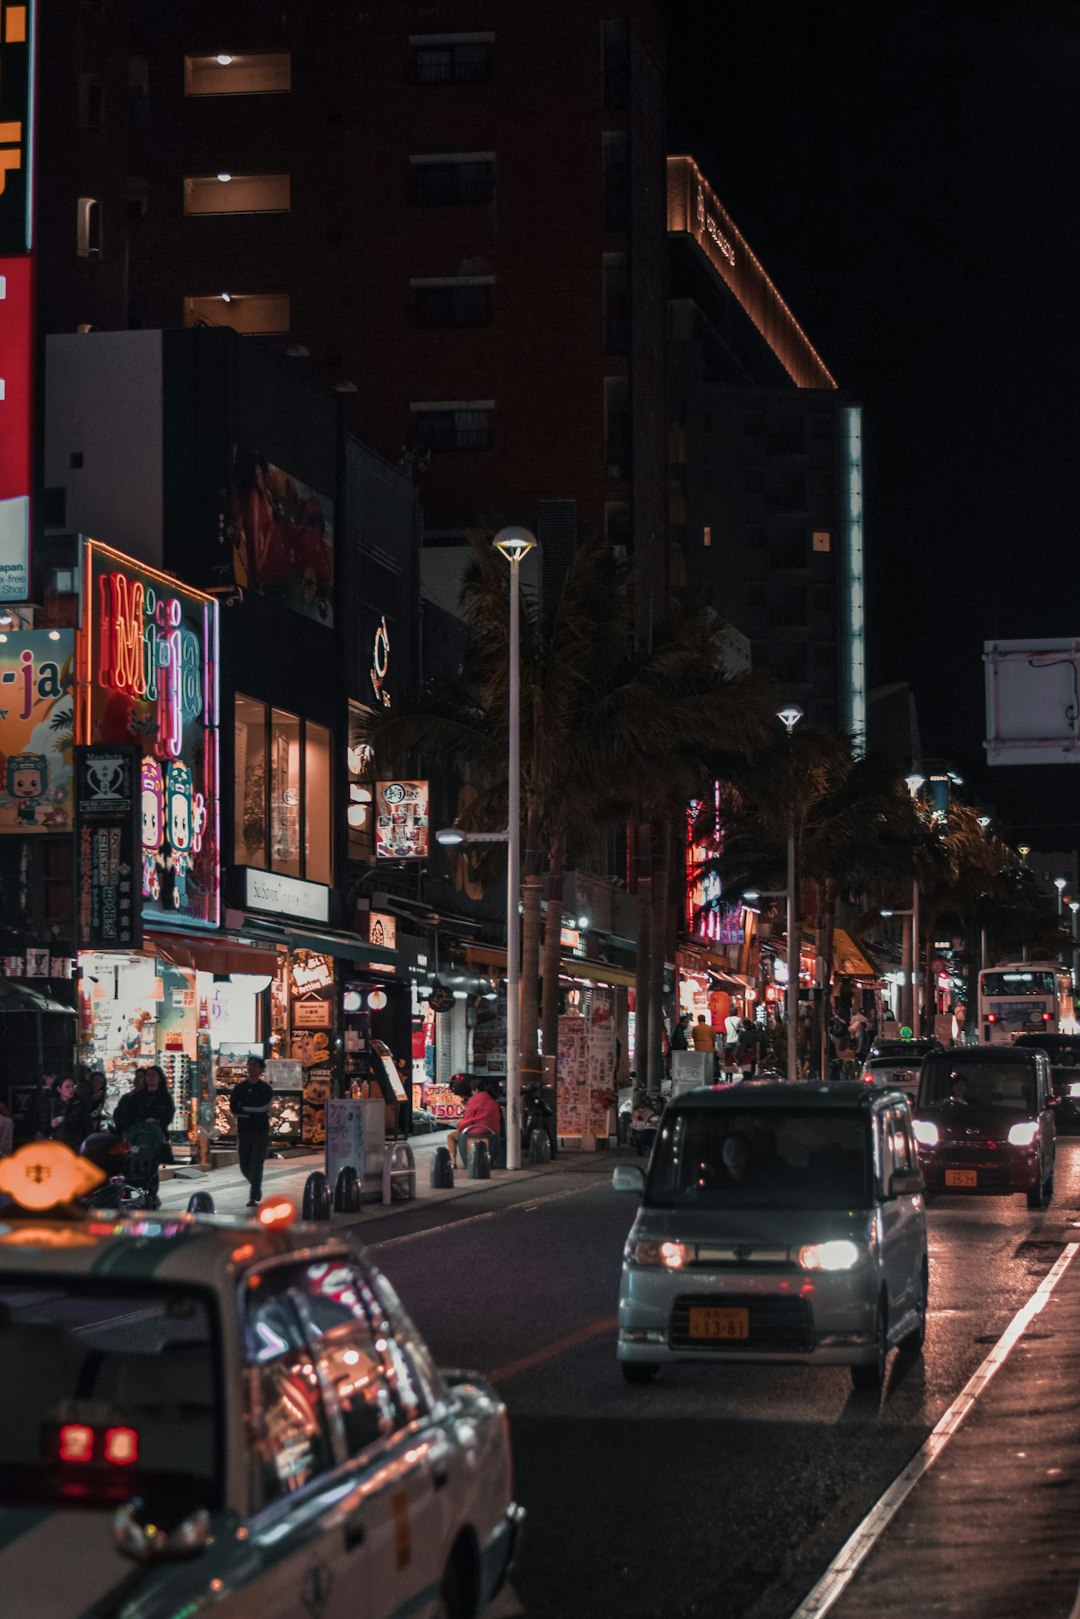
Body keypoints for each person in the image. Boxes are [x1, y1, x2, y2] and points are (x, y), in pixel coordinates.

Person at [230, 1055, 274, 1206]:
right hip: (244, 1130)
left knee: (256, 1163)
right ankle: (256, 1185)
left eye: (255, 1065)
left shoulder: (265, 1089)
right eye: (250, 1065)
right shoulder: (239, 1088)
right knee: (244, 1164)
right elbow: (234, 1108)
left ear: (261, 1069)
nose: (251, 1068)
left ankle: (253, 1194)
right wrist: (245, 1109)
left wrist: (244, 1108)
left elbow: (262, 1108)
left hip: (260, 1130)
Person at [447, 1078, 503, 1168]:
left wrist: (460, 1125)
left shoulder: (474, 1100)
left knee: (451, 1136)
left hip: (473, 1132)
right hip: (492, 1133)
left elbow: (468, 1119)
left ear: (476, 1090)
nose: (472, 1093)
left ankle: (453, 1162)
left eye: (472, 1091)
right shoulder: (493, 1101)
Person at [50, 1077, 91, 1151]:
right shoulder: (52, 1104)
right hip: (57, 1145)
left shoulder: (80, 1105)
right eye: (67, 1087)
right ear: (59, 1089)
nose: (71, 1089)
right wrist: (51, 1125)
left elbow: (87, 1126)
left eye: (73, 1086)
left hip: (76, 1145)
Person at [114, 1068, 147, 1134]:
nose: (136, 1079)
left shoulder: (148, 1098)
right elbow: (118, 1113)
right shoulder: (127, 1097)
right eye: (136, 1076)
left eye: (140, 1077)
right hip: (126, 1132)